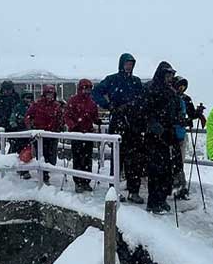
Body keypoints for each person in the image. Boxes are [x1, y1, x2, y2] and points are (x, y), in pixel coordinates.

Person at [93, 53, 146, 203]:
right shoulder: (112, 79)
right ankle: (114, 190)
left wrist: (138, 112)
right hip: (118, 123)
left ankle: (133, 191)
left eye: (131, 64)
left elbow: (143, 99)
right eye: (127, 63)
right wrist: (108, 105)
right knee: (117, 158)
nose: (129, 66)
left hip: (134, 125)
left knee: (135, 160)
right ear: (121, 64)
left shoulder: (136, 81)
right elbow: (96, 92)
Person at [140, 61, 182, 214]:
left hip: (168, 134)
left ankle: (162, 198)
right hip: (154, 136)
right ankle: (153, 202)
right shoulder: (151, 89)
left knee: (167, 169)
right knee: (155, 170)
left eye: (171, 75)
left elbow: (175, 111)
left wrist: (179, 120)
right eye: (168, 75)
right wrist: (156, 127)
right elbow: (145, 112)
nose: (170, 78)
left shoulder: (171, 91)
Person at [171, 77, 206, 201]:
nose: (181, 88)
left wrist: (197, 113)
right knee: (175, 163)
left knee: (178, 163)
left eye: (183, 86)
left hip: (180, 134)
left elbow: (191, 114)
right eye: (179, 86)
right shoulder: (172, 98)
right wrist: (186, 120)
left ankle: (178, 187)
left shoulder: (185, 99)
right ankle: (178, 187)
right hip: (172, 135)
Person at [65, 79, 101, 192]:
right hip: (77, 134)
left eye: (89, 88)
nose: (87, 91)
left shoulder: (92, 102)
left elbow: (94, 116)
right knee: (77, 158)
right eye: (85, 88)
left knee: (87, 158)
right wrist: (73, 125)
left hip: (88, 133)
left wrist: (97, 120)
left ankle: (86, 181)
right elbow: (67, 116)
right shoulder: (73, 100)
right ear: (80, 88)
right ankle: (78, 182)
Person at [25, 84, 65, 184]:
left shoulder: (56, 106)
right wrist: (31, 128)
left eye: (52, 94)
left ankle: (46, 173)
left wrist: (61, 125)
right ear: (44, 94)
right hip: (40, 135)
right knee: (42, 156)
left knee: (52, 158)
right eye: (48, 94)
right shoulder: (37, 104)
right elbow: (28, 116)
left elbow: (61, 118)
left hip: (52, 134)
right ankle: (44, 176)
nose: (50, 96)